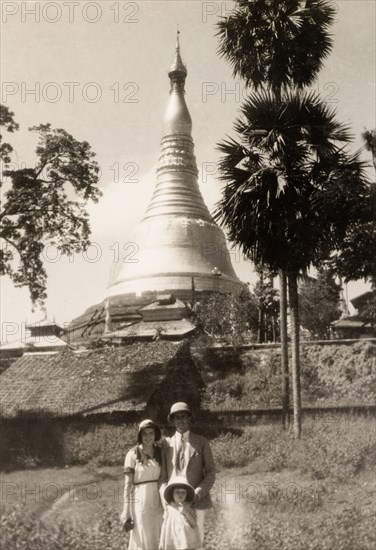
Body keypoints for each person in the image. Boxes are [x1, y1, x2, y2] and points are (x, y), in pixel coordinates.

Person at [160, 402, 215, 546]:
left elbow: (210, 473)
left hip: (195, 501)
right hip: (173, 502)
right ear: (172, 421)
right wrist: (165, 500)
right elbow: (163, 477)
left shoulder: (201, 442)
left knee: (196, 540)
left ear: (189, 418)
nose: (181, 420)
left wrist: (197, 493)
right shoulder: (166, 444)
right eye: (177, 417)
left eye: (184, 417)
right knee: (175, 541)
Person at [120, 419, 164, 550]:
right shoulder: (133, 454)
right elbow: (128, 484)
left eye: (151, 433)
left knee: (159, 533)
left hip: (158, 498)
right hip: (140, 499)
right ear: (140, 435)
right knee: (143, 535)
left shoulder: (160, 452)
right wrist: (126, 510)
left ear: (155, 434)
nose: (148, 437)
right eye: (144, 434)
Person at [159, 476, 201, 550]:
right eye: (177, 492)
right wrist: (161, 541)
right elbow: (164, 525)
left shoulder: (188, 507)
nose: (180, 494)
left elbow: (194, 524)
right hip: (173, 539)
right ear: (172, 494)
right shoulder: (169, 508)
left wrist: (186, 513)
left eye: (183, 492)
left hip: (186, 539)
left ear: (186, 494)